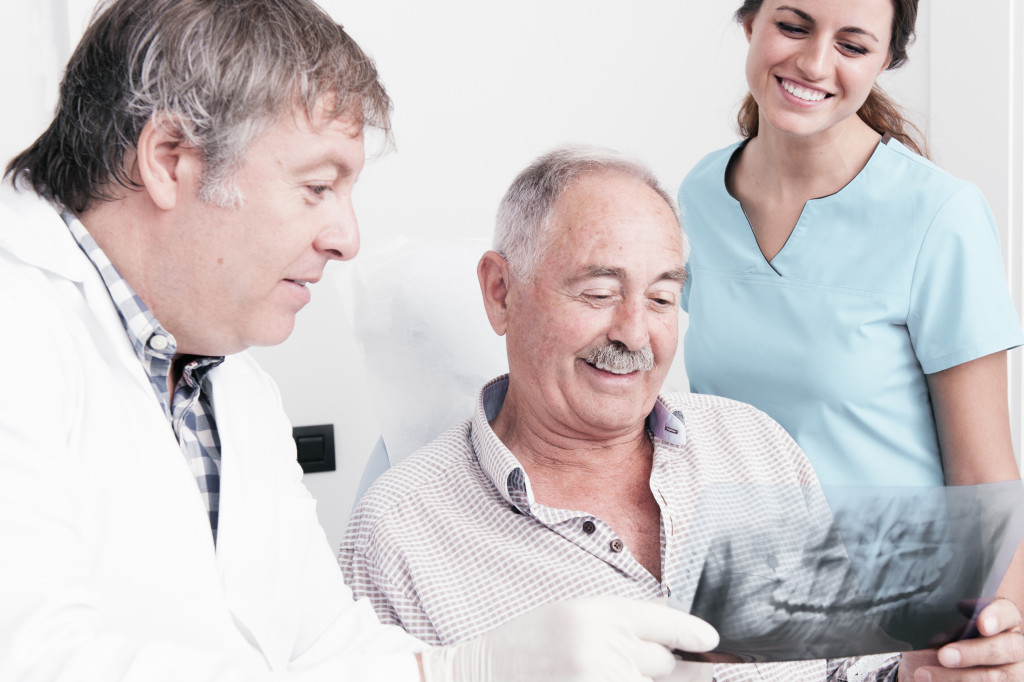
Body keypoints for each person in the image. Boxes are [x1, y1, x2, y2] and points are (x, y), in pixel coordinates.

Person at [0, 2, 723, 681]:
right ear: (168, 159)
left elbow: (322, 645)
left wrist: (454, 667)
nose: (347, 239)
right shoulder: (21, 324)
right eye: (317, 187)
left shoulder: (231, 383)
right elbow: (39, 660)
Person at [340, 146, 1024, 681]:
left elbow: (844, 670)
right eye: (600, 291)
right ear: (500, 292)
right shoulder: (401, 532)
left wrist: (920, 672)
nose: (635, 334)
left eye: (663, 299)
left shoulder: (752, 446)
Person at [677, 4, 1024, 676]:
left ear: (885, 59)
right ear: (750, 22)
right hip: (747, 633)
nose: (813, 64)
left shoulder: (940, 217)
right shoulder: (699, 195)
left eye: (853, 45)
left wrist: (990, 652)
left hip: (904, 636)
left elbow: (986, 479)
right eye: (795, 25)